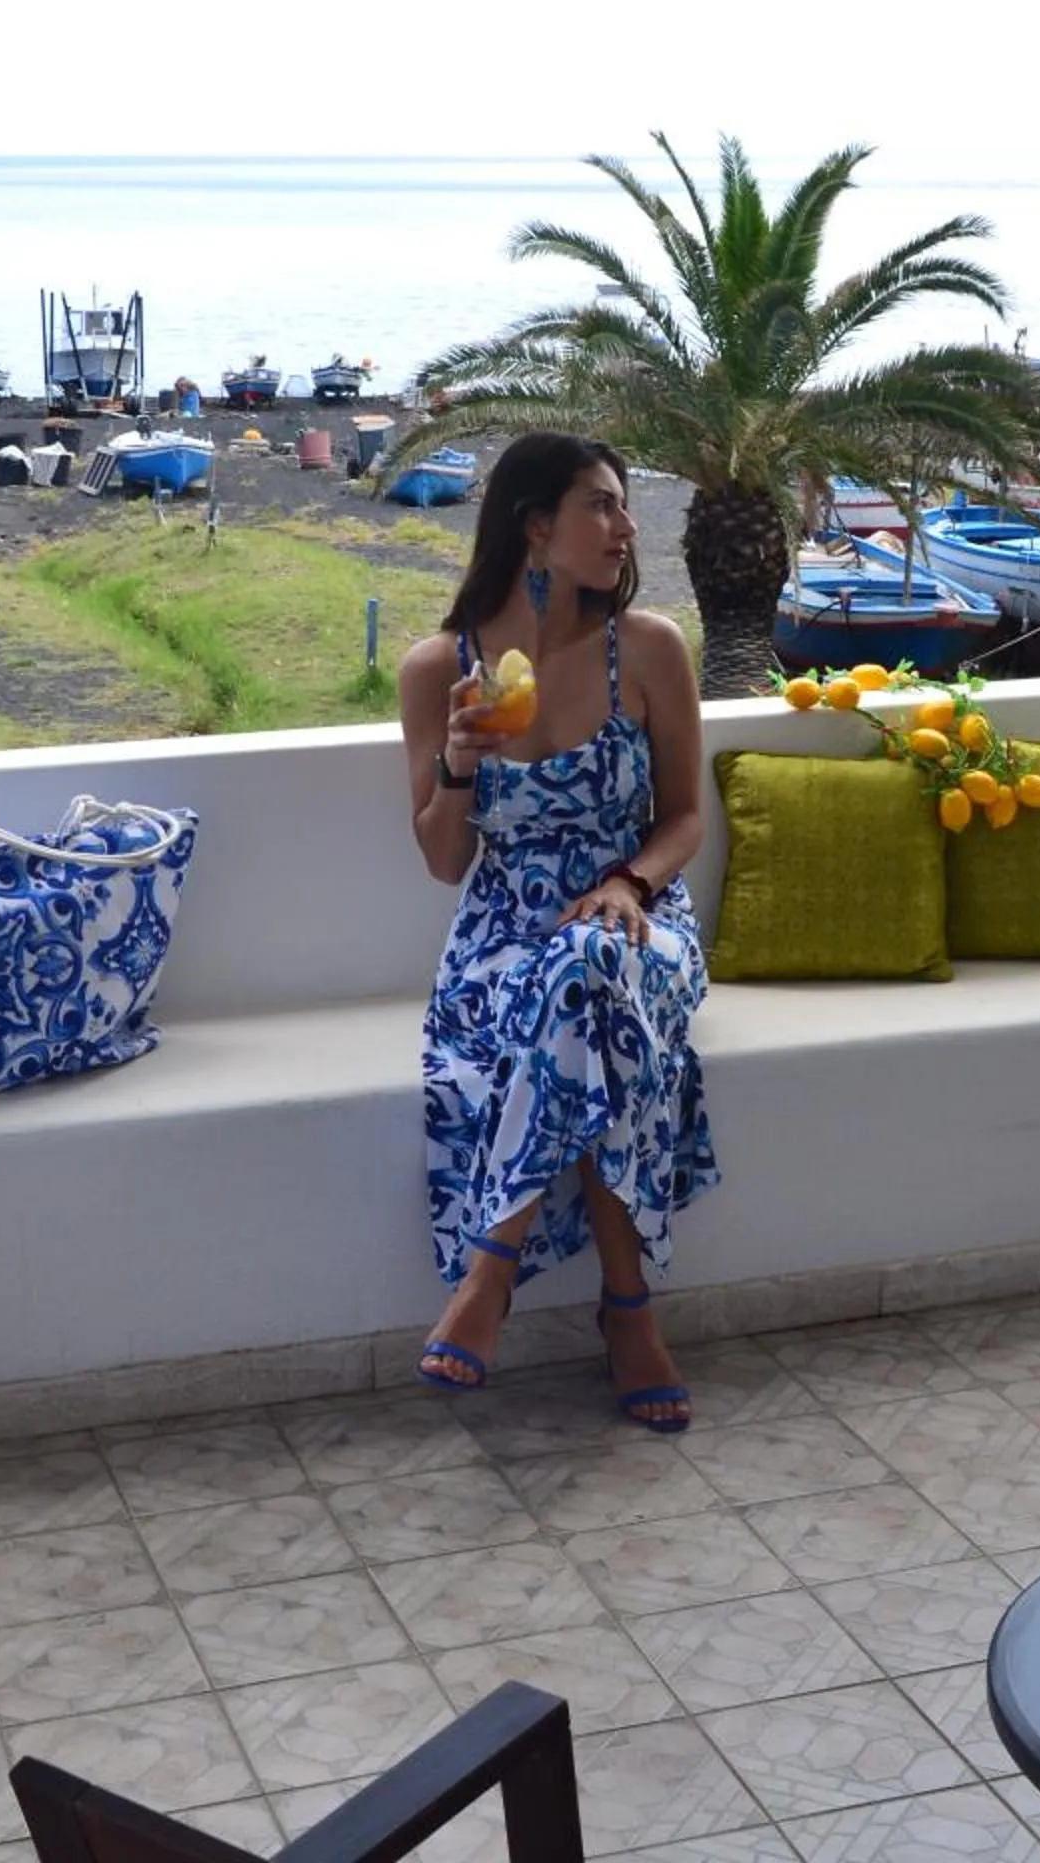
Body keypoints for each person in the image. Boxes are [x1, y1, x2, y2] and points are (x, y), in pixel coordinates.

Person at [397, 433, 717, 1432]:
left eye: (623, 508)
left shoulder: (653, 648)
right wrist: (455, 763)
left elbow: (686, 818)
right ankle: (628, 1306)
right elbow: (446, 861)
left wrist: (628, 882)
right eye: (604, 505)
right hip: (499, 937)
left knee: (589, 961)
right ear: (537, 526)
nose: (627, 528)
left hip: (641, 919)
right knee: (576, 986)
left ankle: (489, 1266)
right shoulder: (439, 669)